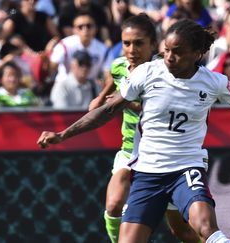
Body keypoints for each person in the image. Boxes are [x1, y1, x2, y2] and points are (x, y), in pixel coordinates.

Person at [37, 19, 230, 242]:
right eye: (166, 50)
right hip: (147, 173)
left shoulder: (213, 82)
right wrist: (63, 134)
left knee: (205, 226)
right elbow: (108, 110)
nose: (169, 57)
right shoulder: (147, 73)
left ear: (197, 54)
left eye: (177, 52)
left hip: (186, 168)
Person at [89, 14, 199, 243]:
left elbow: (159, 110)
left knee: (182, 231)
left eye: (139, 43)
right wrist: (99, 98)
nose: (131, 49)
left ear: (152, 44)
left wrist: (125, 103)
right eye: (126, 43)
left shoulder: (165, 72)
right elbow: (114, 79)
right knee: (113, 204)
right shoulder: (119, 65)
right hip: (130, 150)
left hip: (164, 157)